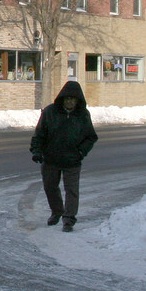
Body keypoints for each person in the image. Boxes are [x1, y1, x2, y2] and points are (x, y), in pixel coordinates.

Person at [29, 80, 97, 232]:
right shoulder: (50, 112)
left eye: (73, 99)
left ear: (78, 101)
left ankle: (69, 219)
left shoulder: (83, 115)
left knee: (71, 191)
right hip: (51, 159)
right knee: (50, 187)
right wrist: (37, 151)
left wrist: (81, 152)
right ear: (62, 99)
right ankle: (57, 211)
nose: (69, 102)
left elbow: (91, 137)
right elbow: (39, 134)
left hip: (72, 160)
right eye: (67, 99)